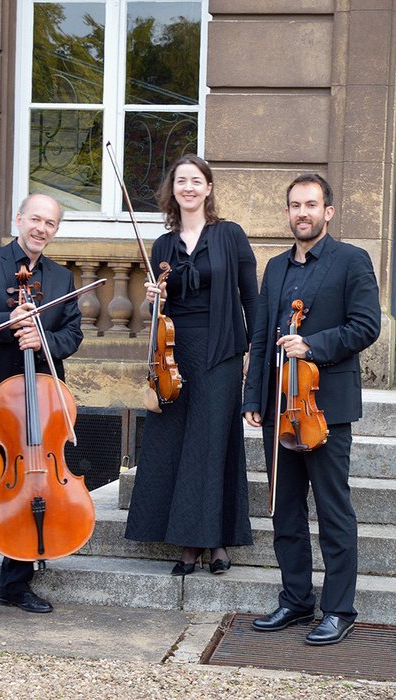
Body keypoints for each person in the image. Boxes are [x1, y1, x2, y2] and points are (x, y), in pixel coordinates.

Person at [243, 173, 381, 646]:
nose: (302, 212)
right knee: (284, 510)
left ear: (328, 212)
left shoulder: (351, 261)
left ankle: (339, 609)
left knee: (332, 509)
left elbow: (365, 327)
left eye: (311, 204)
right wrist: (252, 398)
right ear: (288, 213)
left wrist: (312, 345)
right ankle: (296, 600)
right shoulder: (276, 267)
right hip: (279, 406)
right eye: (294, 205)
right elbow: (261, 337)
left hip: (324, 408)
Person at [124, 154, 258, 574]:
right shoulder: (163, 245)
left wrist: (255, 352)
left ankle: (213, 542)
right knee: (174, 442)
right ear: (172, 190)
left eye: (196, 180)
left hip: (220, 351)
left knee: (212, 443)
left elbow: (250, 297)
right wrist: (153, 300)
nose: (188, 187)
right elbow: (160, 314)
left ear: (209, 188)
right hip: (174, 354)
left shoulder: (230, 235)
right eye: (181, 180)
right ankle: (184, 540)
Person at [0, 193, 83, 624]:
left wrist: (43, 340)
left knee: (37, 486)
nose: (41, 228)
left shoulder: (63, 278)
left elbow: (72, 334)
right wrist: (11, 327)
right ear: (19, 218)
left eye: (50, 223)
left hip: (43, 391)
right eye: (35, 219)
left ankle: (16, 584)